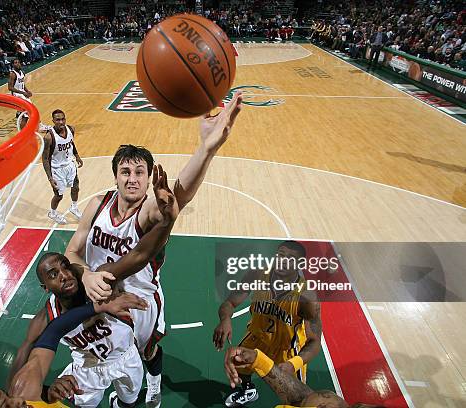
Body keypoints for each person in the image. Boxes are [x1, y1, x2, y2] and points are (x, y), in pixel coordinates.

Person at [65, 91, 243, 407]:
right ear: (116, 175)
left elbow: (179, 195)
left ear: (148, 180)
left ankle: (155, 383)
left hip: (141, 301)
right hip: (99, 297)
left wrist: (206, 149)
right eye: (125, 172)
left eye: (139, 173)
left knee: (147, 352)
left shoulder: (148, 210)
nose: (132, 179)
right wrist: (86, 275)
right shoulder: (97, 204)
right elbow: (72, 252)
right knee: (105, 356)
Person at [5, 165, 179, 407]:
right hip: (87, 367)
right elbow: (28, 356)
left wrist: (167, 220)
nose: (65, 275)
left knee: (131, 396)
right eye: (54, 274)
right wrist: (10, 397)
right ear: (45, 287)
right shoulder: (47, 319)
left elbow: (142, 253)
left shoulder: (100, 283)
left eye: (66, 267)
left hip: (125, 356)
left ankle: (149, 384)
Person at [0, 292, 148, 408]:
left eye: (7, 398)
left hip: (123, 358)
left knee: (127, 398)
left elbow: (53, 332)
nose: (18, 401)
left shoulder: (24, 392)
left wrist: (47, 395)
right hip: (90, 368)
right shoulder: (45, 317)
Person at [214, 241, 322, 407]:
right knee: (238, 363)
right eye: (281, 254)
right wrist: (225, 319)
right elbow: (230, 302)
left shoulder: (307, 298)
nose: (283, 260)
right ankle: (248, 390)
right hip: (257, 337)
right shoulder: (257, 274)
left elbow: (314, 342)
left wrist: (293, 364)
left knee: (298, 400)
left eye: (291, 258)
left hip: (287, 350)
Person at [224, 347, 384, 408]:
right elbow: (303, 399)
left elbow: (314, 343)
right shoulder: (333, 403)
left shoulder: (308, 302)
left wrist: (294, 362)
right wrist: (259, 361)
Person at [42, 109, 84, 224]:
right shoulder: (49, 137)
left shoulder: (71, 129)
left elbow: (71, 143)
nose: (61, 122)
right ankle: (53, 213)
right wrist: (50, 178)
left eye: (62, 119)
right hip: (57, 169)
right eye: (57, 120)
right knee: (58, 195)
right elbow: (45, 159)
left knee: (76, 187)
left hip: (70, 164)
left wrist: (77, 155)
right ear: (53, 121)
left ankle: (74, 207)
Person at [8, 58, 33, 128]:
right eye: (15, 62)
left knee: (29, 110)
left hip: (22, 94)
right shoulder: (12, 74)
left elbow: (22, 84)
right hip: (17, 95)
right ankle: (23, 132)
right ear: (12, 65)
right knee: (26, 114)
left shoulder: (22, 72)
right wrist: (23, 93)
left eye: (18, 62)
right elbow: (10, 88)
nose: (18, 64)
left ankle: (19, 113)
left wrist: (27, 91)